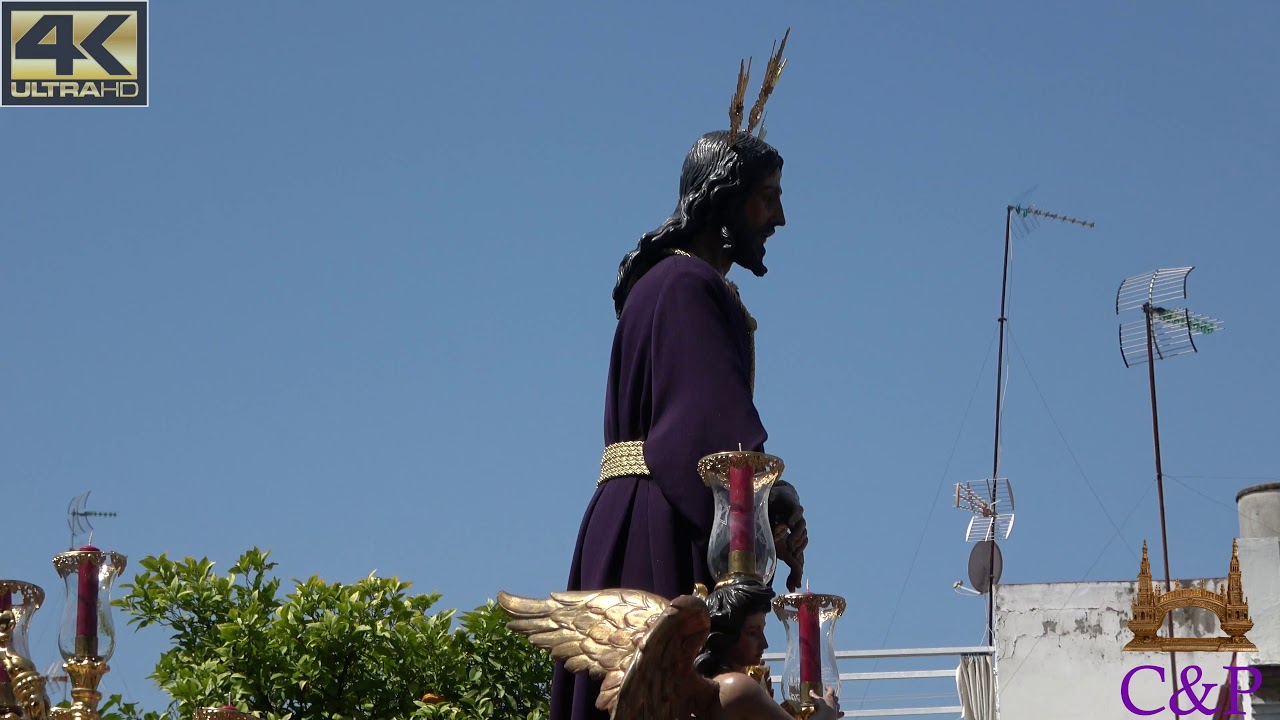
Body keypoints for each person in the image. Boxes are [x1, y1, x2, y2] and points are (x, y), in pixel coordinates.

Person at [551, 40, 811, 718]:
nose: (779, 220)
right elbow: (704, 434)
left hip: (630, 513)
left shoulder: (663, 283)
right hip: (658, 523)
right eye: (765, 201)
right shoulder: (687, 285)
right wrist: (767, 497)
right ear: (723, 203)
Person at [695, 579, 842, 720]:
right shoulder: (737, 687)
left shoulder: (714, 687)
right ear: (725, 636)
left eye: (762, 631)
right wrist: (827, 712)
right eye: (753, 633)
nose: (764, 644)